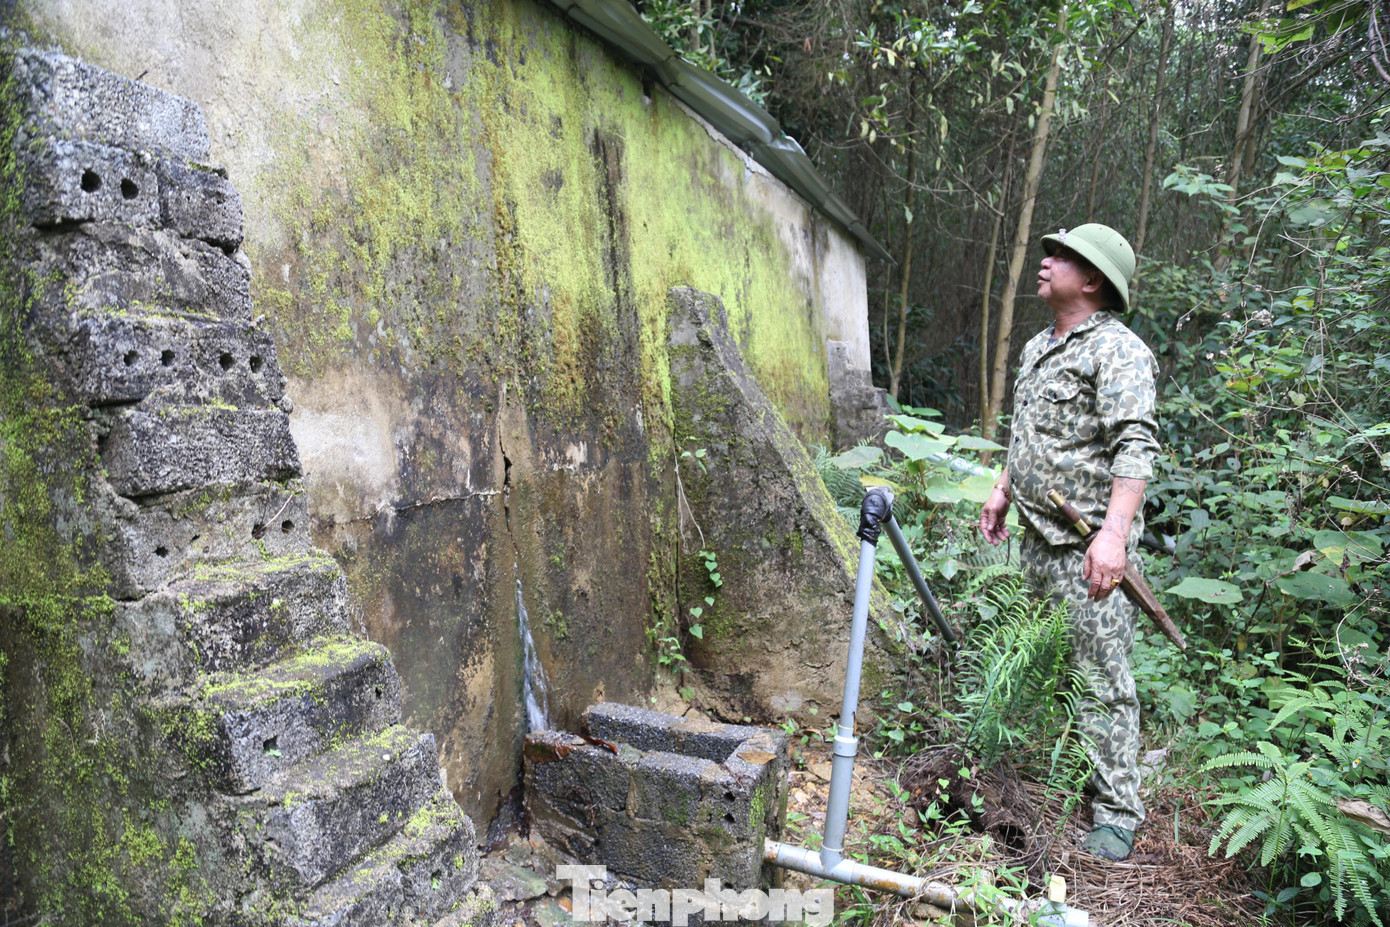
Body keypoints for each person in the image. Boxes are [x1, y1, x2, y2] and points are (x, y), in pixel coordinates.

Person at [978, 223, 1161, 862]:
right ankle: (1069, 776)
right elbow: (1026, 429)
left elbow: (1135, 446)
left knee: (1102, 681)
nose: (1045, 262)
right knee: (1052, 669)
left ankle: (1116, 813)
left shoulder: (1118, 350)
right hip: (1036, 540)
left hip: (1087, 551)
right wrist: (1003, 487)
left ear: (1092, 280)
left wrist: (1113, 538)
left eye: (1060, 256)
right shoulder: (1037, 347)